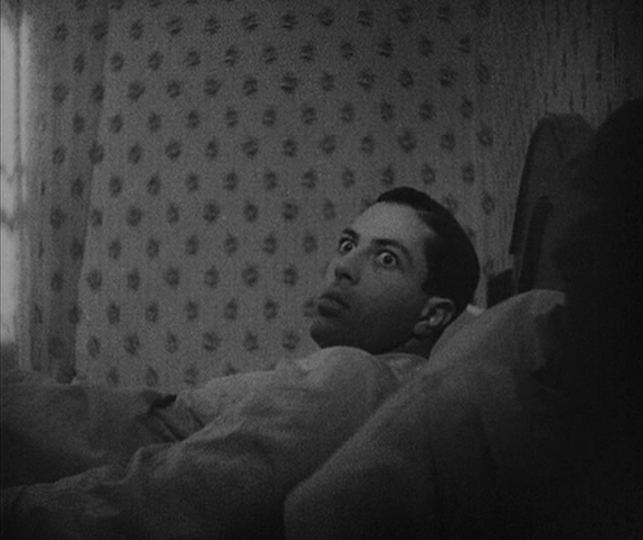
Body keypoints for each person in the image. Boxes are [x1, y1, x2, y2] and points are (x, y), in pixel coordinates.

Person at [1, 186, 480, 539]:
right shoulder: (361, 383)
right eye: (348, 244)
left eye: (387, 259)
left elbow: (175, 498)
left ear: (432, 314)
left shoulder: (356, 374)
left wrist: (17, 513)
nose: (344, 266)